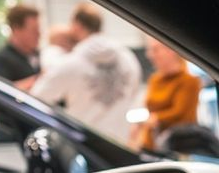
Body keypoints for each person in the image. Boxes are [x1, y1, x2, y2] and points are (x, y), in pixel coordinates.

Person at [31, 4, 142, 140]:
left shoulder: (70, 64)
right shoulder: (128, 58)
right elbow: (134, 95)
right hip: (120, 143)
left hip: (85, 144)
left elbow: (37, 98)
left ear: (76, 25)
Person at [133, 37, 202, 150]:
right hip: (152, 142)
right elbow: (149, 109)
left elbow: (179, 112)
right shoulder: (154, 80)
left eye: (155, 50)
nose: (150, 55)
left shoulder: (190, 81)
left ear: (171, 51)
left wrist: (155, 118)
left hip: (179, 143)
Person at [0, 5, 43, 90]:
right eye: (34, 30)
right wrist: (41, 79)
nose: (39, 34)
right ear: (16, 29)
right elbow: (0, 93)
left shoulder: (40, 55)